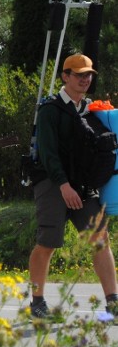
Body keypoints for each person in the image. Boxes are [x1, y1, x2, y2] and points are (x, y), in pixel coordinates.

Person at [27, 53, 118, 319]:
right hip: (52, 182)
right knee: (48, 243)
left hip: (83, 185)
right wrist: (63, 185)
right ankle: (38, 300)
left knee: (100, 239)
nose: (85, 79)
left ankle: (113, 301)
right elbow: (48, 153)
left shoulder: (93, 109)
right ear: (65, 76)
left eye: (88, 75)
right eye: (79, 75)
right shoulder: (49, 109)